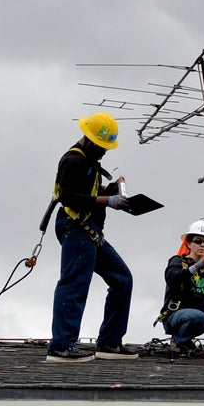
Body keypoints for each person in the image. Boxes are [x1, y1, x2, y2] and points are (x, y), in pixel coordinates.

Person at [45, 112, 139, 363]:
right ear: (90, 139)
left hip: (88, 230)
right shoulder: (74, 161)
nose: (105, 151)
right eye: (102, 146)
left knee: (122, 279)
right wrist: (108, 201)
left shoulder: (89, 162)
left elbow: (87, 193)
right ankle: (61, 346)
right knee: (75, 282)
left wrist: (110, 191)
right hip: (76, 227)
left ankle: (109, 343)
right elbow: (68, 197)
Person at [157, 219, 204, 355]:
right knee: (199, 317)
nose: (202, 245)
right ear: (188, 243)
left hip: (200, 314)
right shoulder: (178, 261)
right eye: (198, 241)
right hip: (176, 314)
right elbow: (172, 278)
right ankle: (179, 339)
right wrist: (195, 268)